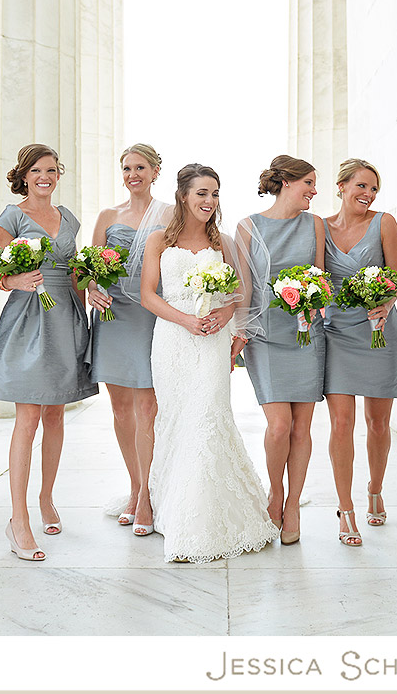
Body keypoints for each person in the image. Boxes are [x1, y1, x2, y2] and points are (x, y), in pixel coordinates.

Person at [139, 163, 278, 563]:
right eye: (202, 193)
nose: (209, 201)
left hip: (213, 341)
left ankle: (201, 520)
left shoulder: (225, 242)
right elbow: (149, 295)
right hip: (172, 338)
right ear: (183, 195)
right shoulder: (157, 241)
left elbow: (241, 293)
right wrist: (184, 319)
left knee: (209, 416)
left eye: (214, 194)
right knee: (177, 418)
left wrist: (225, 317)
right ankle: (169, 505)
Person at [0, 143, 97, 562]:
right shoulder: (11, 217)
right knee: (28, 417)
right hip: (28, 319)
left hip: (65, 316)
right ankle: (18, 519)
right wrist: (17, 281)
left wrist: (91, 300)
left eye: (51, 169)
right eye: (37, 171)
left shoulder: (69, 218)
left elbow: (75, 275)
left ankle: (47, 497)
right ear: (24, 175)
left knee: (56, 412)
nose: (45, 176)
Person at [236, 155, 327, 547]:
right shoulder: (247, 227)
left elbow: (321, 277)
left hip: (307, 334)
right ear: (287, 183)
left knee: (303, 428)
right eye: (308, 182)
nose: (314, 190)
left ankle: (292, 505)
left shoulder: (316, 225)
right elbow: (243, 287)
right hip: (266, 336)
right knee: (280, 426)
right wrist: (239, 334)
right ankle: (275, 492)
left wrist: (315, 298)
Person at [322, 158, 397, 547]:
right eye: (361, 186)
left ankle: (375, 488)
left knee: (378, 423)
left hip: (379, 330)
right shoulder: (319, 228)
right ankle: (346, 509)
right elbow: (317, 278)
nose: (368, 195)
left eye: (373, 189)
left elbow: (396, 278)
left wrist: (386, 305)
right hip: (337, 331)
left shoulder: (385, 222)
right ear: (341, 186)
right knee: (340, 423)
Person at [87, 144, 163, 536]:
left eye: (140, 167)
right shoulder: (107, 216)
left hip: (151, 315)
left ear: (155, 171)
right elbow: (88, 269)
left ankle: (149, 496)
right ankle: (135, 487)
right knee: (120, 409)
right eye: (127, 168)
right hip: (114, 316)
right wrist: (91, 289)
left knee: (148, 407)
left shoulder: (170, 214)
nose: (133, 174)